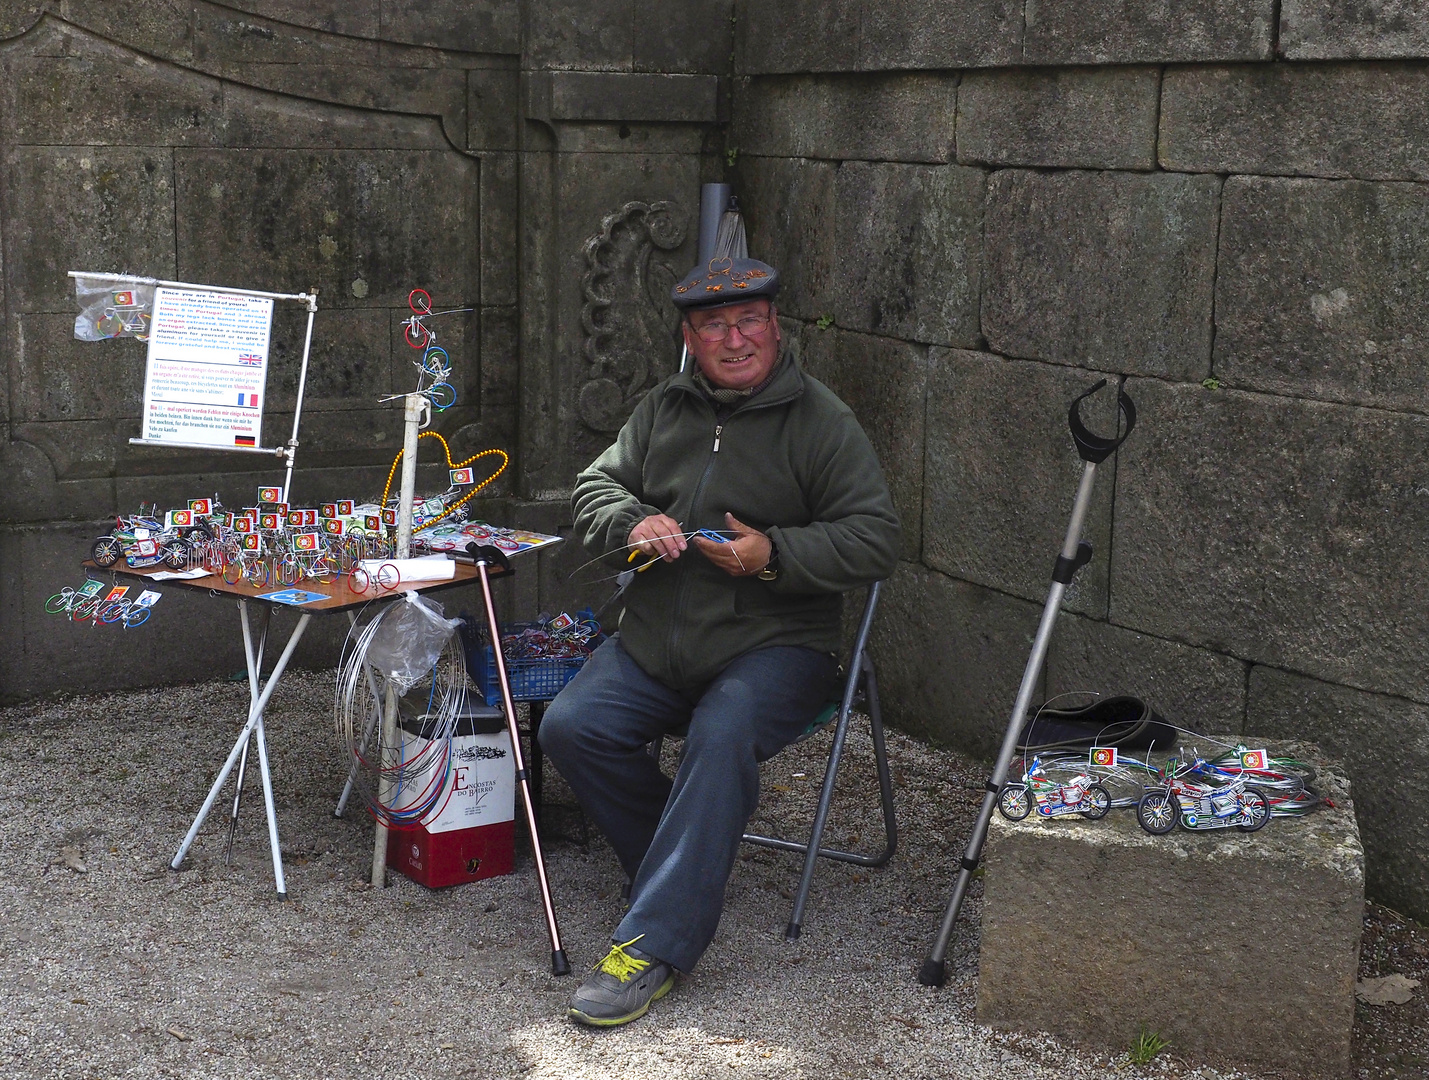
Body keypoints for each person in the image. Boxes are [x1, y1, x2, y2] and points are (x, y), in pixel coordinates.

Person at [540, 256, 900, 1026]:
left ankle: (657, 943)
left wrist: (776, 555)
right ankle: (684, 864)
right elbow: (594, 486)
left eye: (748, 322)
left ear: (773, 326)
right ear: (688, 338)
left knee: (723, 726)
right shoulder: (662, 408)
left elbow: (874, 541)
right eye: (713, 326)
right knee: (571, 725)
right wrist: (630, 521)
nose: (733, 339)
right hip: (658, 643)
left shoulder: (821, 422)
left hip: (778, 646)